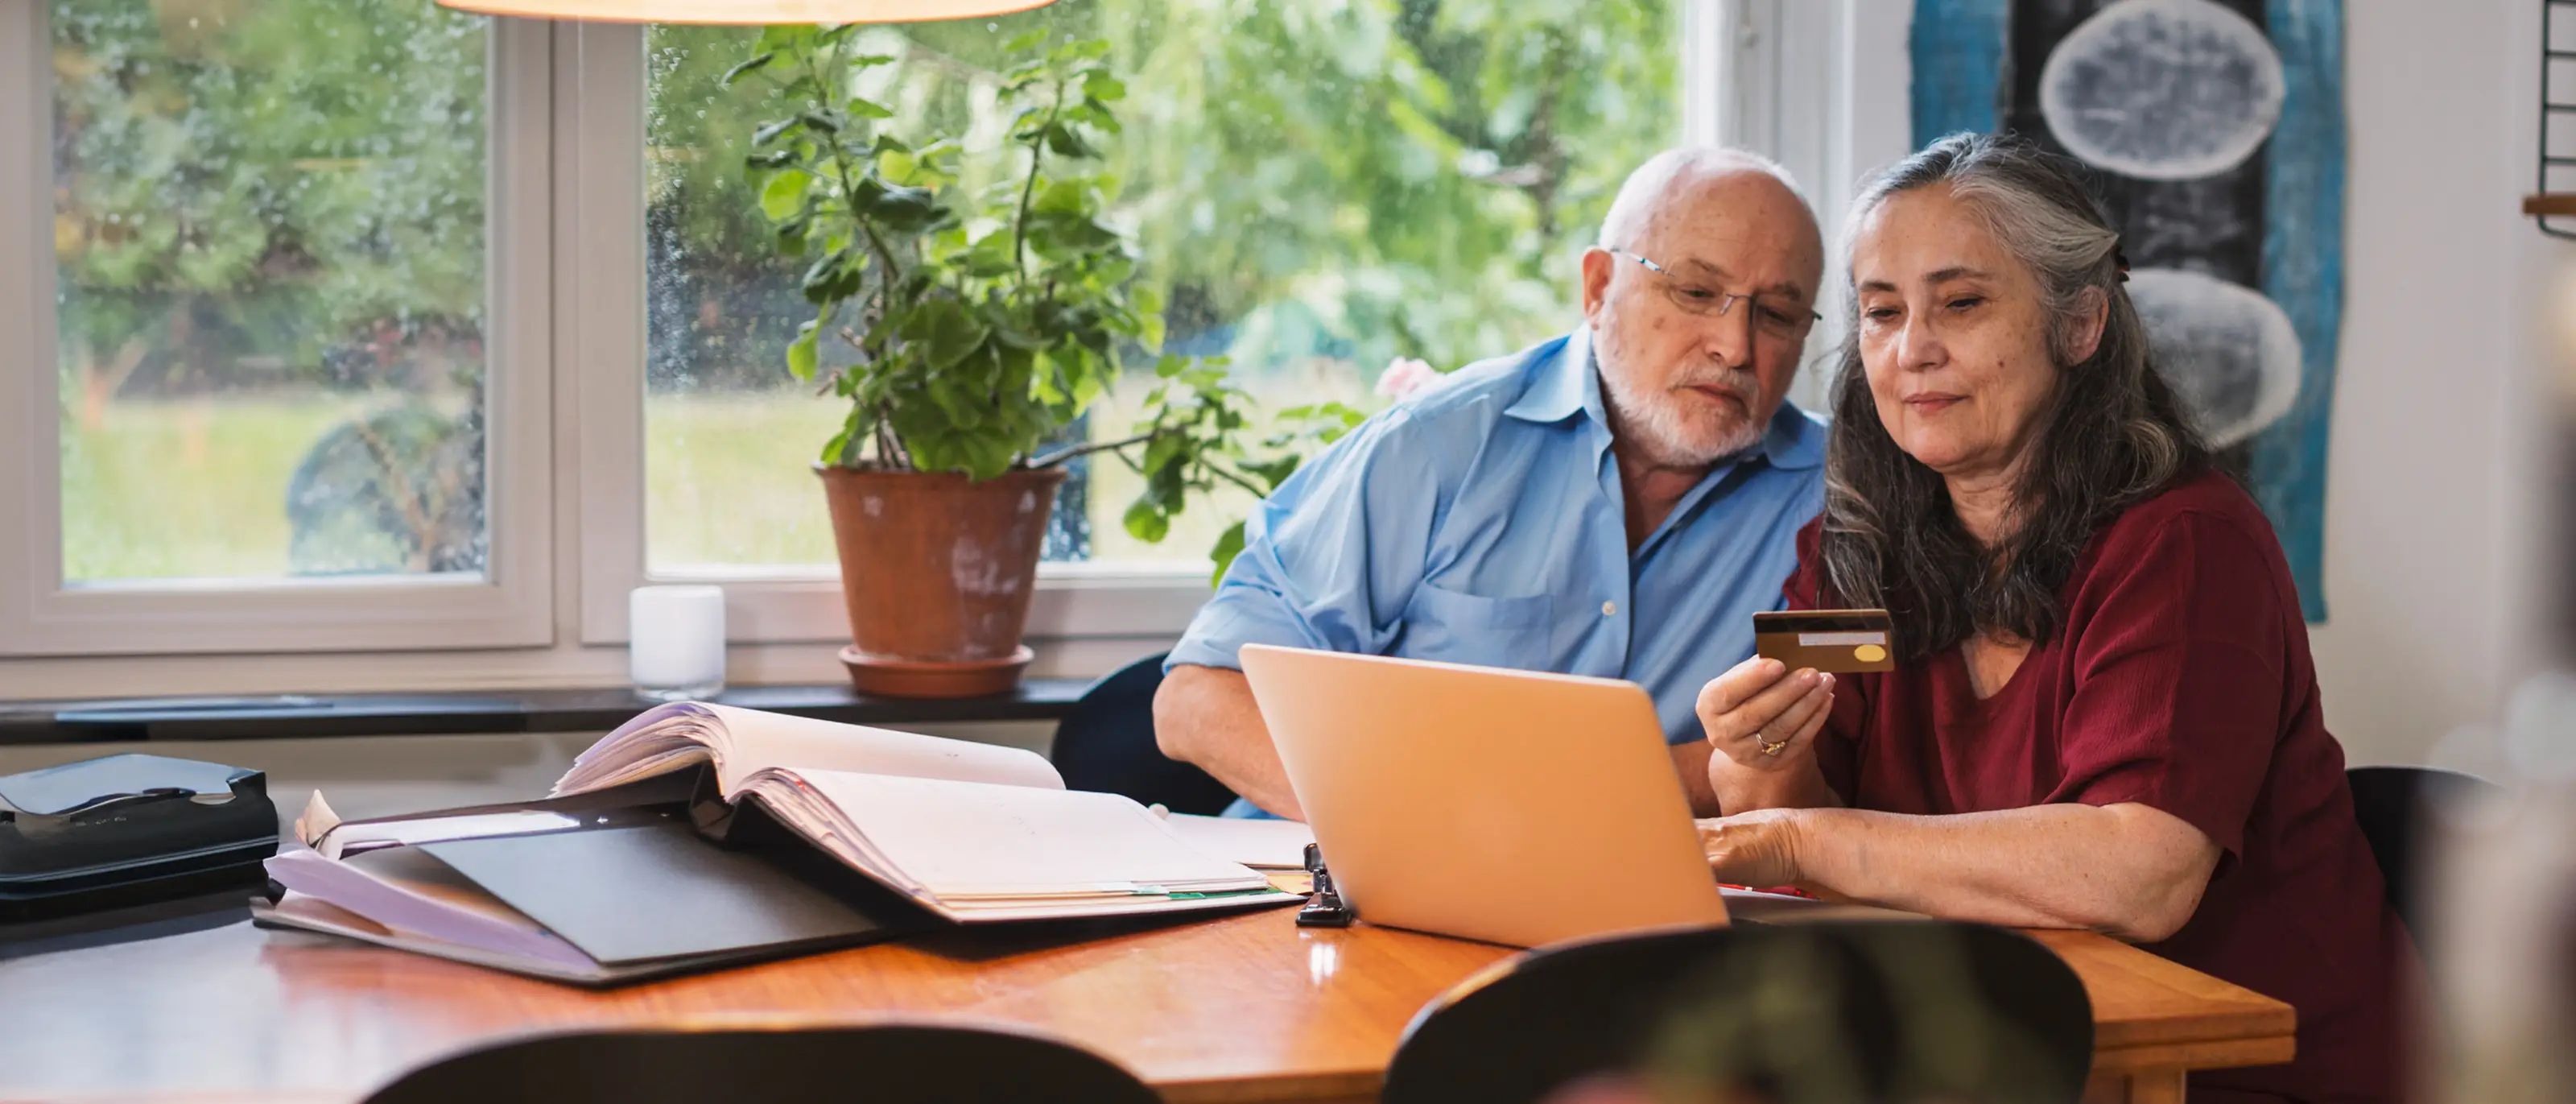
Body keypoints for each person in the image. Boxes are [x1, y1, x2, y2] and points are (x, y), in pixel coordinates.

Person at [1694, 132, 2412, 1103]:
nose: (1912, 351)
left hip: (2228, 1067)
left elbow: (2138, 875)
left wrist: (1796, 837)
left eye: (1961, 303)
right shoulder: (1857, 544)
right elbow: (1794, 806)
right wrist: (1762, 756)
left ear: (2078, 324)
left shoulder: (2186, 541)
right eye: (1880, 312)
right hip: (1984, 1045)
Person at [1156, 147, 1831, 821]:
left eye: (1775, 314)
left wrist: (1518, 808)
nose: (1735, 346)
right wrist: (1429, 823)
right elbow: (1197, 700)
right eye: (1695, 292)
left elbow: (1801, 763)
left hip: (1626, 907)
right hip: (1332, 891)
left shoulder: (1834, 499)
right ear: (1598, 288)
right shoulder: (1440, 444)